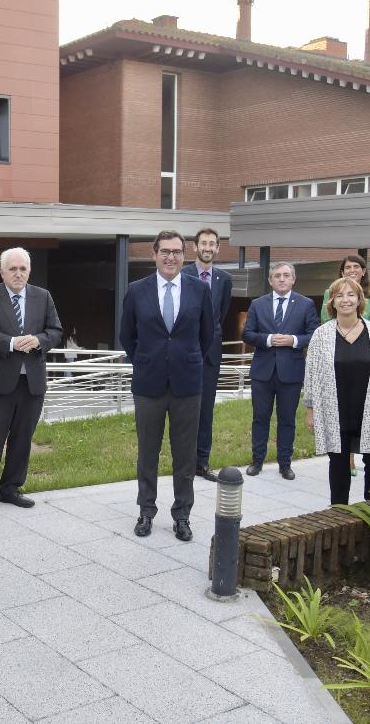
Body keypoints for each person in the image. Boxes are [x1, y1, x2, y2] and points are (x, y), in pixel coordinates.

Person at [119, 230, 214, 541]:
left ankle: (182, 514)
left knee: (185, 455)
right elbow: (126, 335)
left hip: (188, 383)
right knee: (148, 452)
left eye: (177, 251)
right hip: (149, 383)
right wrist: (146, 360)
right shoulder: (137, 290)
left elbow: (207, 335)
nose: (171, 257)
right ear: (154, 253)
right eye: (165, 251)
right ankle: (146, 511)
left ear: (184, 255)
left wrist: (184, 359)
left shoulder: (199, 290)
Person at [0, 247, 63, 511]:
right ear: (2, 272)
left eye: (23, 269)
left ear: (29, 271)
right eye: (13, 269)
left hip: (32, 383)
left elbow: (55, 331)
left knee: (23, 438)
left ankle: (11, 489)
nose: (18, 274)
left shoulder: (43, 297)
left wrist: (39, 340)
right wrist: (11, 343)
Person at [302, 278, 370, 505]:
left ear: (359, 300)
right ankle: (338, 515)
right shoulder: (321, 335)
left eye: (351, 295)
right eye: (339, 295)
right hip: (336, 409)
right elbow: (311, 374)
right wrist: (310, 409)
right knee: (338, 463)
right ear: (332, 302)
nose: (345, 300)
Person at [242, 262, 319, 480]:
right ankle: (257, 461)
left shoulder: (305, 304)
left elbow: (314, 334)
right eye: (277, 276)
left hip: (291, 373)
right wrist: (267, 339)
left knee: (287, 420)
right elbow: (247, 334)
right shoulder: (257, 304)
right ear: (270, 281)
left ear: (294, 279)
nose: (282, 279)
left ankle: (285, 464)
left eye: (286, 275)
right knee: (260, 418)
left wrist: (293, 340)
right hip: (262, 372)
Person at [182, 227, 233, 482]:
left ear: (217, 248)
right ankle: (184, 463)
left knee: (206, 411)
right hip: (186, 353)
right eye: (204, 243)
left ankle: (202, 463)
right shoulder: (182, 275)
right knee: (185, 410)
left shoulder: (224, 280)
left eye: (212, 244)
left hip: (211, 355)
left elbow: (218, 317)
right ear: (195, 247)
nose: (208, 248)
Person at [322, 254, 370, 328]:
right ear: (342, 273)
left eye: (356, 266)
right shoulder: (330, 292)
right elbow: (326, 320)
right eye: (348, 267)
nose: (352, 270)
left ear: (363, 271)